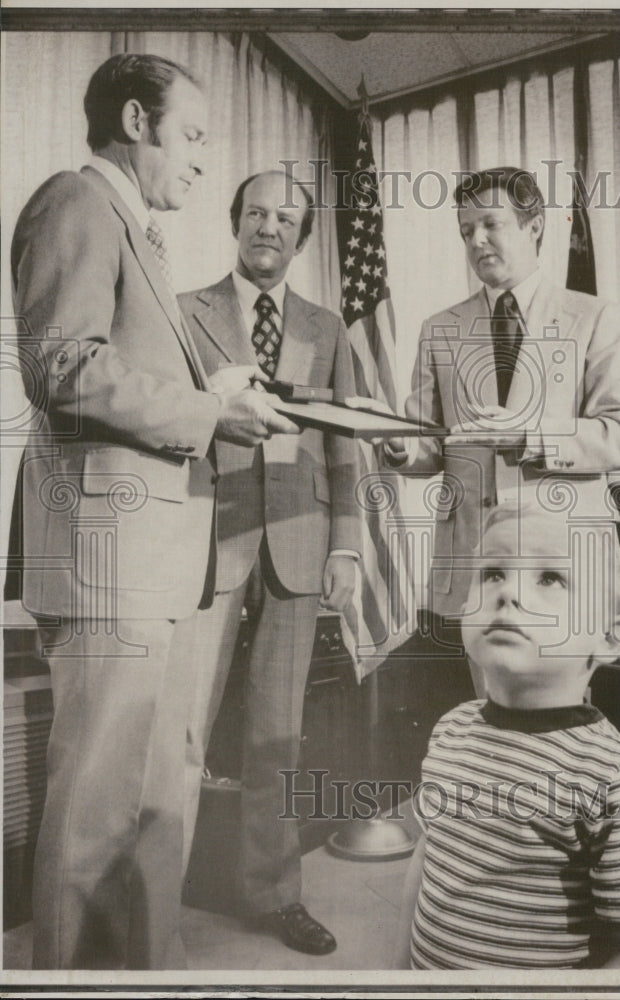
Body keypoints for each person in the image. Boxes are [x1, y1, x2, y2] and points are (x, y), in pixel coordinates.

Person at [10, 53, 297, 970]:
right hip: (109, 567)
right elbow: (62, 369)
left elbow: (113, 366)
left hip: (157, 568)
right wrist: (210, 411)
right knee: (97, 819)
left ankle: (147, 978)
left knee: (158, 802)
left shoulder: (135, 227)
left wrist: (207, 386)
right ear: (136, 122)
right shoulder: (75, 202)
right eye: (195, 136)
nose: (205, 160)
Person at [179, 170, 360, 956]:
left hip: (299, 538)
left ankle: (275, 893)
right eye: (256, 212)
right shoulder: (185, 313)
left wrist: (348, 541)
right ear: (235, 221)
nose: (269, 228)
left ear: (301, 236)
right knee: (180, 730)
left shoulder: (328, 327)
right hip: (204, 540)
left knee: (276, 735)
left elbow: (345, 442)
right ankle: (149, 889)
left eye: (286, 218)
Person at [384, 167, 620, 691]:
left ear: (534, 226)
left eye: (490, 224)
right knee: (490, 712)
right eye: (465, 231)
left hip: (568, 559)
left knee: (561, 715)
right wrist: (397, 450)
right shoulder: (440, 328)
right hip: (478, 563)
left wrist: (532, 437)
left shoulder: (593, 317)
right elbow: (428, 445)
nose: (476, 240)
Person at [395, 499, 620, 969]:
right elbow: (431, 854)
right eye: (492, 573)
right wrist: (400, 970)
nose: (508, 595)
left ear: (609, 638)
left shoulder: (619, 779)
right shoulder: (452, 729)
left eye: (550, 578)